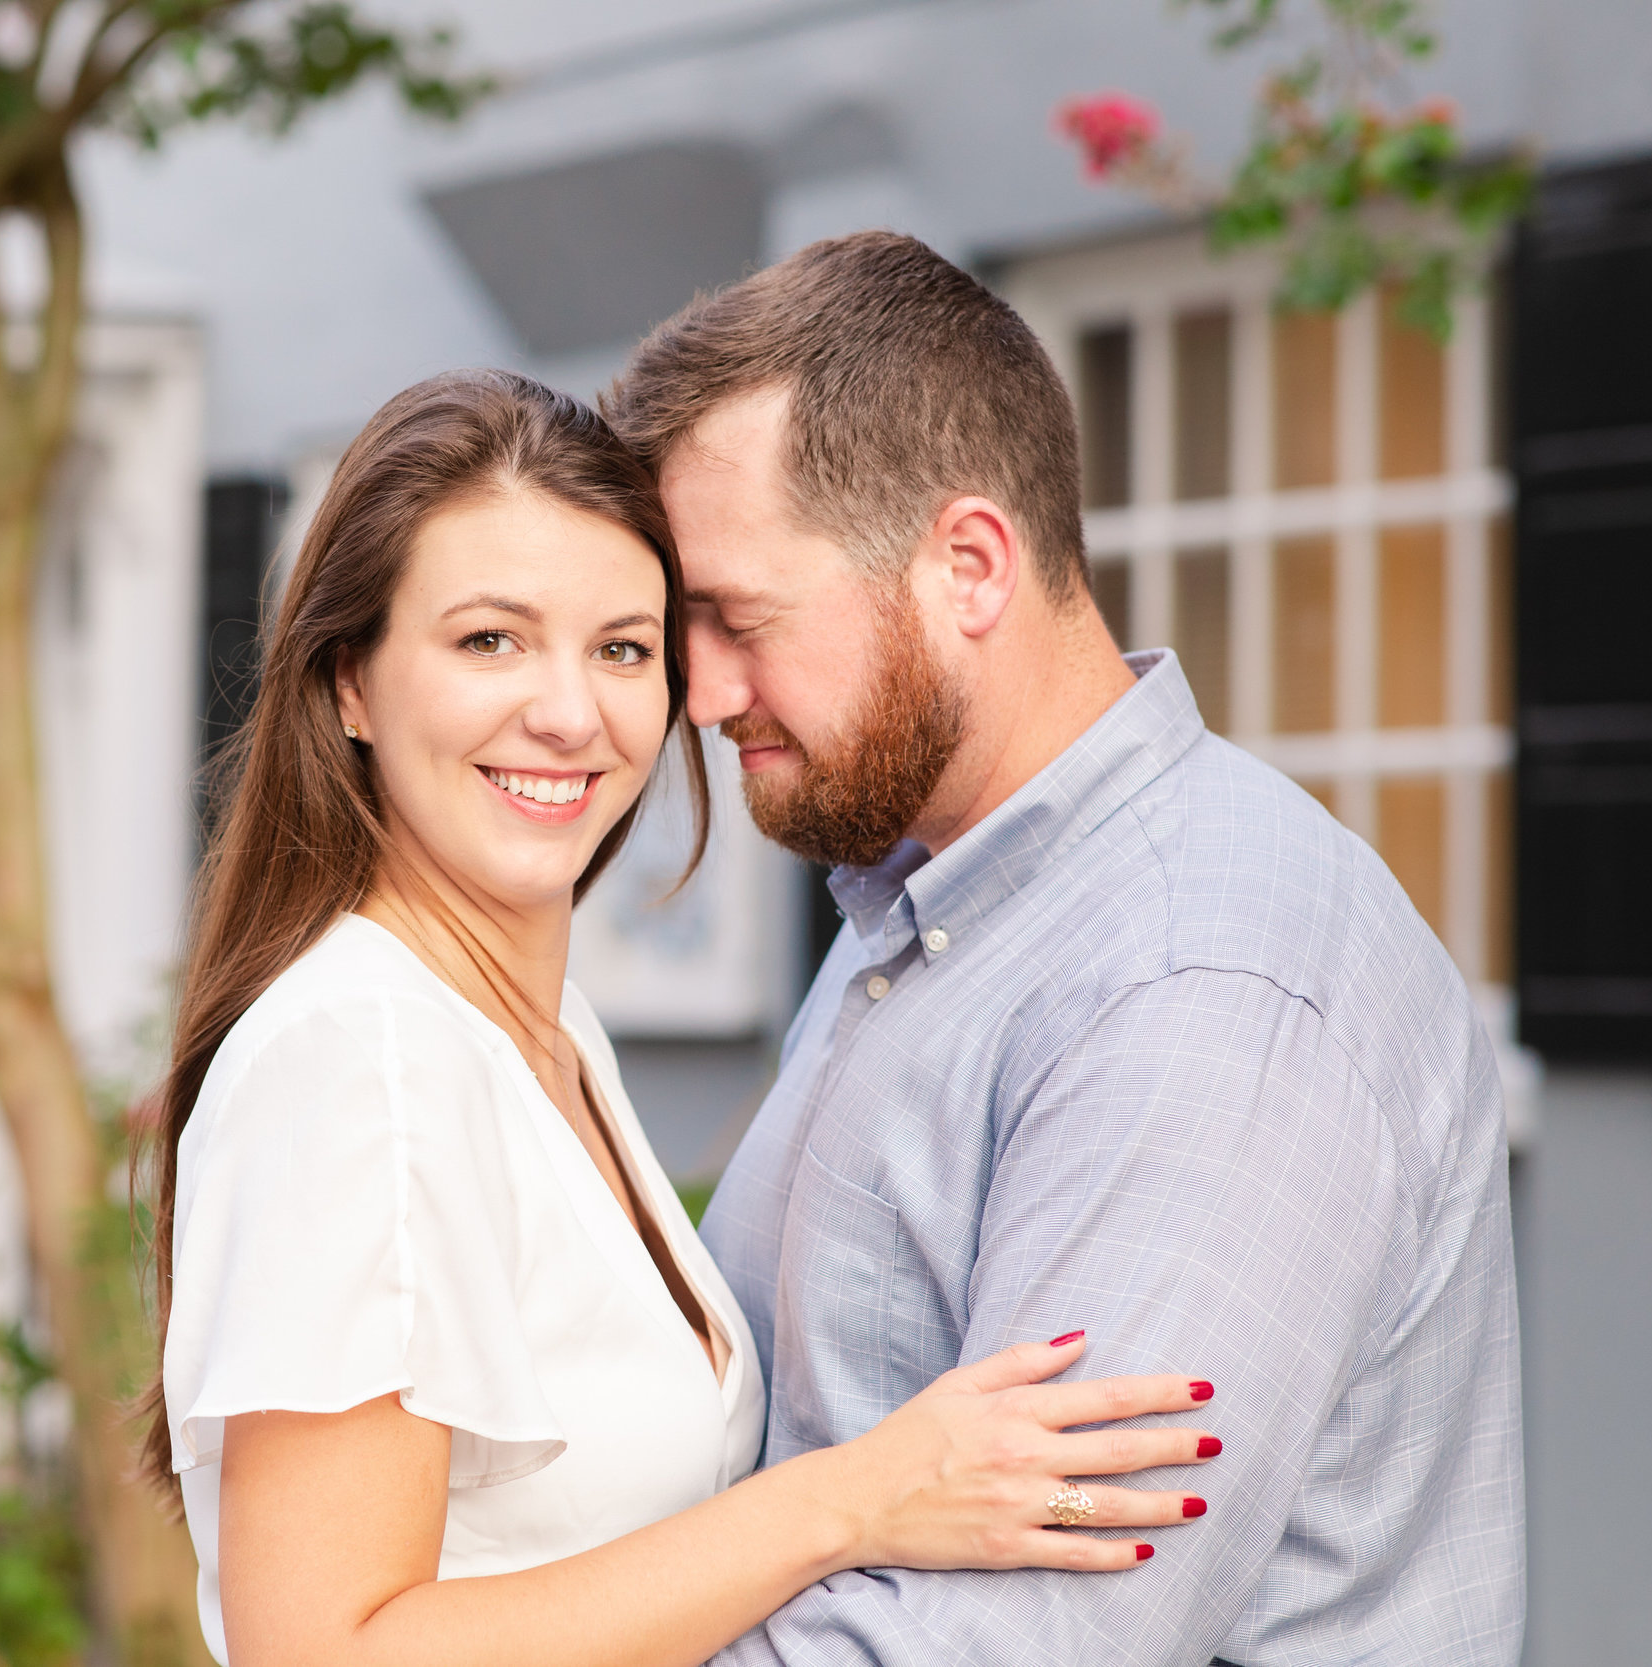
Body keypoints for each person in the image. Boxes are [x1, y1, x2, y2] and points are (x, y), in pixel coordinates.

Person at [141, 368, 1224, 1667]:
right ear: (350, 686)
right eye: (489, 639)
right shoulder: (360, 1057)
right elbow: (324, 1653)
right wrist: (854, 1496)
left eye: (622, 648)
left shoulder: (544, 1037)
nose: (569, 712)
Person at [601, 231, 1525, 1665]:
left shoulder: (1199, 992)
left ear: (969, 565)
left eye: (738, 617)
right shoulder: (919, 907)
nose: (700, 692)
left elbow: (1011, 1647)